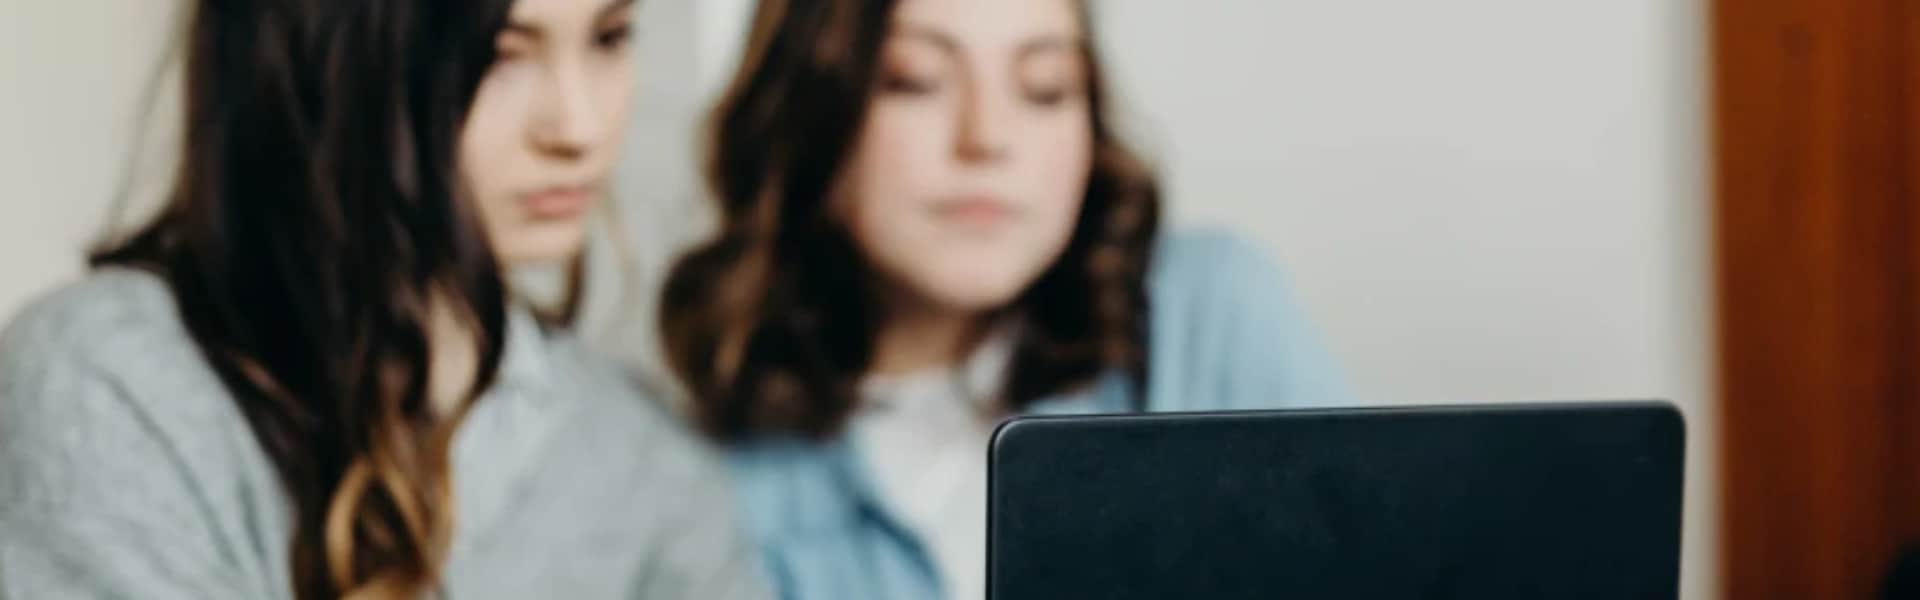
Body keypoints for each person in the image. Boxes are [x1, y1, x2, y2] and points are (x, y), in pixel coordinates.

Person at [0, 0, 766, 598]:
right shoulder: (113, 388)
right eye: (501, 53)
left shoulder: (643, 462)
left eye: (609, 36)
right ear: (333, 57)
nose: (578, 125)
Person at [656, 0, 1353, 598]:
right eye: (915, 81)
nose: (987, 139)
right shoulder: (699, 484)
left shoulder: (1206, 313)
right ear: (805, 110)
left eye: (1045, 88)